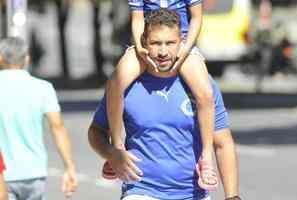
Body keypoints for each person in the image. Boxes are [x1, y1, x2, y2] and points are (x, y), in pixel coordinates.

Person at [89, 9, 241, 200]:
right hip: (141, 191)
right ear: (144, 42)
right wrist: (112, 153)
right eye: (155, 43)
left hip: (193, 194)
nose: (162, 52)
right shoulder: (125, 85)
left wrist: (232, 197)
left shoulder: (202, 87)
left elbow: (222, 143)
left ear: (182, 42)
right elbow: (96, 131)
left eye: (170, 43)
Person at [104, 0, 216, 188]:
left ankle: (206, 159)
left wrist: (185, 48)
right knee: (115, 83)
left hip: (181, 43)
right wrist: (141, 49)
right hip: (148, 43)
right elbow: (138, 19)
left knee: (205, 93)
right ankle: (117, 149)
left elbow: (196, 17)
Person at [0, 37, 78, 200]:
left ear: (0, 57)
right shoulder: (43, 88)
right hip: (34, 172)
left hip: (3, 175)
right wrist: (69, 167)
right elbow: (57, 127)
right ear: (27, 59)